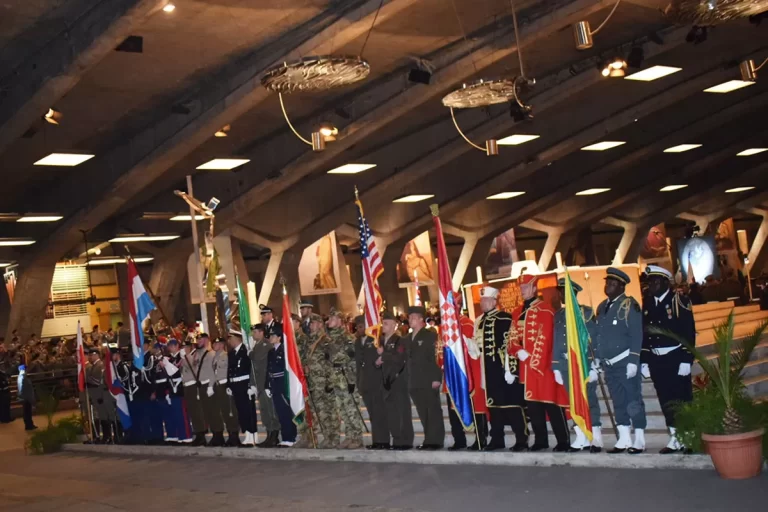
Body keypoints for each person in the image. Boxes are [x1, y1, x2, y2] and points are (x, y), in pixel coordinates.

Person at [508, 274, 570, 452]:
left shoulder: (545, 309)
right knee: (533, 407)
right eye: (521, 288)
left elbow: (546, 337)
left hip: (543, 367)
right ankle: (541, 440)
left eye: (526, 287)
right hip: (525, 368)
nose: (523, 291)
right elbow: (511, 336)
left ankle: (563, 441)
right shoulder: (516, 312)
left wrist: (533, 359)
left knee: (551, 404)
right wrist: (516, 350)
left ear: (534, 289)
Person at [641, 265, 696, 454]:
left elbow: (688, 331)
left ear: (666, 282)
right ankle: (674, 437)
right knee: (666, 400)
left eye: (656, 282)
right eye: (650, 282)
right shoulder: (648, 303)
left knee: (682, 398)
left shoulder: (679, 301)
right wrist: (645, 360)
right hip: (657, 360)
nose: (652, 286)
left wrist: (686, 359)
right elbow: (645, 334)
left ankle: (688, 437)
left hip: (675, 357)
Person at [594, 267, 647, 454]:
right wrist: (597, 358)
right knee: (618, 400)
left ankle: (639, 437)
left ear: (622, 286)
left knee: (633, 400)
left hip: (625, 362)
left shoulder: (629, 306)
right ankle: (624, 437)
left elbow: (636, 334)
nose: (608, 286)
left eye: (613, 283)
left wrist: (634, 360)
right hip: (609, 365)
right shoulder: (602, 307)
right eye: (607, 282)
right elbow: (599, 335)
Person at [551, 278, 603, 453]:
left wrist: (596, 364)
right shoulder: (558, 315)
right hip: (566, 365)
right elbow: (556, 341)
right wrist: (556, 366)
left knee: (590, 400)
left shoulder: (585, 312)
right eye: (561, 292)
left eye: (567, 292)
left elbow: (594, 338)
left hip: (584, 364)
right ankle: (581, 436)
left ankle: (595, 437)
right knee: (574, 402)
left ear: (574, 293)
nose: (563, 295)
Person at [476, 286, 529, 451]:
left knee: (512, 406)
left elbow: (510, 344)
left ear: (493, 301)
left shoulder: (504, 318)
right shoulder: (479, 321)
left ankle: (522, 439)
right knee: (494, 408)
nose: (482, 304)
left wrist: (511, 370)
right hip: (488, 371)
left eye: (485, 300)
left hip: (503, 371)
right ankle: (497, 439)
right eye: (481, 301)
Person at [448, 293, 489, 451]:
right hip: (453, 374)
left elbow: (468, 346)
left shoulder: (466, 323)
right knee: (453, 408)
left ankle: (481, 439)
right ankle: (459, 440)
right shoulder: (446, 327)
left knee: (476, 406)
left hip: (469, 371)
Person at [405, 305, 444, 450]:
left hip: (428, 379)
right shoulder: (408, 338)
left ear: (421, 319)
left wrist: (436, 377)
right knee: (422, 411)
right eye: (409, 318)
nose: (410, 320)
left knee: (432, 410)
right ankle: (429, 439)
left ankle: (436, 441)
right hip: (414, 381)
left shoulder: (430, 335)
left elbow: (435, 358)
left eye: (413, 317)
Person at [326, 309, 365, 449]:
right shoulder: (331, 338)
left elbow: (348, 357)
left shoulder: (347, 337)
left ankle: (357, 438)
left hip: (347, 378)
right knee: (342, 410)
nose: (328, 321)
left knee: (352, 409)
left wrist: (353, 380)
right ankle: (349, 437)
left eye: (332, 318)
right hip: (336, 378)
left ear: (339, 321)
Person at [380, 311, 413, 450]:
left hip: (398, 381)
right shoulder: (380, 341)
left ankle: (406, 440)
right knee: (391, 412)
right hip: (385, 382)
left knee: (402, 411)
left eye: (386, 323)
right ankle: (397, 439)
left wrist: (384, 355)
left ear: (394, 325)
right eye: (383, 323)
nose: (383, 326)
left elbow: (399, 358)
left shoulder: (400, 340)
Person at [354, 315, 389, 449]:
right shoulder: (357, 342)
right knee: (372, 413)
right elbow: (358, 364)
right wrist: (359, 382)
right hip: (364, 383)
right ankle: (376, 440)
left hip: (376, 381)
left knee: (380, 412)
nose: (359, 329)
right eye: (357, 327)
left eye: (362, 326)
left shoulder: (376, 339)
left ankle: (384, 440)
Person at [296, 314, 327, 448]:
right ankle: (309, 437)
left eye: (313, 323)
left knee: (324, 411)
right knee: (310, 411)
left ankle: (329, 437)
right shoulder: (308, 340)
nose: (310, 325)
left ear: (320, 324)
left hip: (322, 380)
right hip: (309, 380)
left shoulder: (325, 340)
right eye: (310, 323)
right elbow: (303, 357)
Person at [266, 324, 297, 446]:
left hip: (283, 382)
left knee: (286, 411)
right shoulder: (271, 351)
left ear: (279, 337)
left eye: (273, 335)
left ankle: (290, 437)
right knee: (279, 411)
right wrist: (267, 385)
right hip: (274, 383)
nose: (270, 338)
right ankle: (286, 437)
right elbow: (268, 369)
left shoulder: (285, 350)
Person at [250, 324, 280, 447]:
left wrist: (250, 353)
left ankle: (274, 435)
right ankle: (269, 434)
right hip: (259, 383)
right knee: (264, 411)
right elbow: (253, 368)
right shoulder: (257, 346)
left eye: (255, 332)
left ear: (262, 332)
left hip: (265, 382)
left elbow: (257, 357)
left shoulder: (266, 345)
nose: (253, 334)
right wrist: (252, 384)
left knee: (271, 410)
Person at [227, 331, 258, 446]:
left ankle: (252, 434)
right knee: (241, 411)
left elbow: (252, 369)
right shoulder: (231, 353)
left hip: (245, 384)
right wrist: (229, 385)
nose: (229, 341)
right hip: (236, 385)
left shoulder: (246, 351)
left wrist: (251, 385)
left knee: (248, 410)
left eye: (231, 339)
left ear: (237, 339)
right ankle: (247, 433)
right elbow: (229, 370)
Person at [212, 337, 240, 447]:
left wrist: (229, 385)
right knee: (223, 411)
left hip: (225, 384)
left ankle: (234, 435)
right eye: (214, 343)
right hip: (218, 385)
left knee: (230, 411)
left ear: (222, 345)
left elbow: (229, 371)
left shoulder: (226, 355)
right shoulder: (215, 357)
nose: (214, 345)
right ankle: (229, 434)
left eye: (217, 343)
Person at [180, 337, 207, 446]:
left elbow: (192, 366)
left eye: (186, 347)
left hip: (193, 385)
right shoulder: (184, 357)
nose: (184, 349)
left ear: (190, 347)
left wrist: (185, 356)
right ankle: (197, 433)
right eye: (183, 347)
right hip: (186, 386)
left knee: (197, 411)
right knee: (192, 411)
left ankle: (202, 435)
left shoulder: (194, 355)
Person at [86, 348, 113, 442]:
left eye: (91, 355)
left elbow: (98, 381)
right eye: (89, 355)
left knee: (104, 416)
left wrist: (87, 379)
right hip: (95, 394)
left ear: (96, 355)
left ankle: (107, 436)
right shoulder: (92, 366)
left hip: (100, 394)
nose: (90, 357)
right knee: (99, 417)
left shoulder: (100, 365)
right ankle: (100, 436)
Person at [17, 364, 36, 431]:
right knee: (27, 412)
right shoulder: (23, 377)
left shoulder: (22, 377)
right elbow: (24, 389)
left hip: (26, 397)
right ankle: (28, 425)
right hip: (26, 398)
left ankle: (30, 424)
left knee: (27, 412)